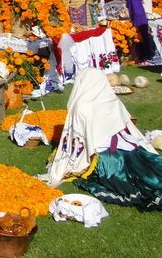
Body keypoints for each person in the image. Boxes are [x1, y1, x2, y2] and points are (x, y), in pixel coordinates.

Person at [43, 68, 162, 211]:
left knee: (127, 178)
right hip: (130, 148)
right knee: (145, 170)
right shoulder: (112, 99)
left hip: (106, 156)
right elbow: (126, 127)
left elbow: (79, 140)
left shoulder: (82, 106)